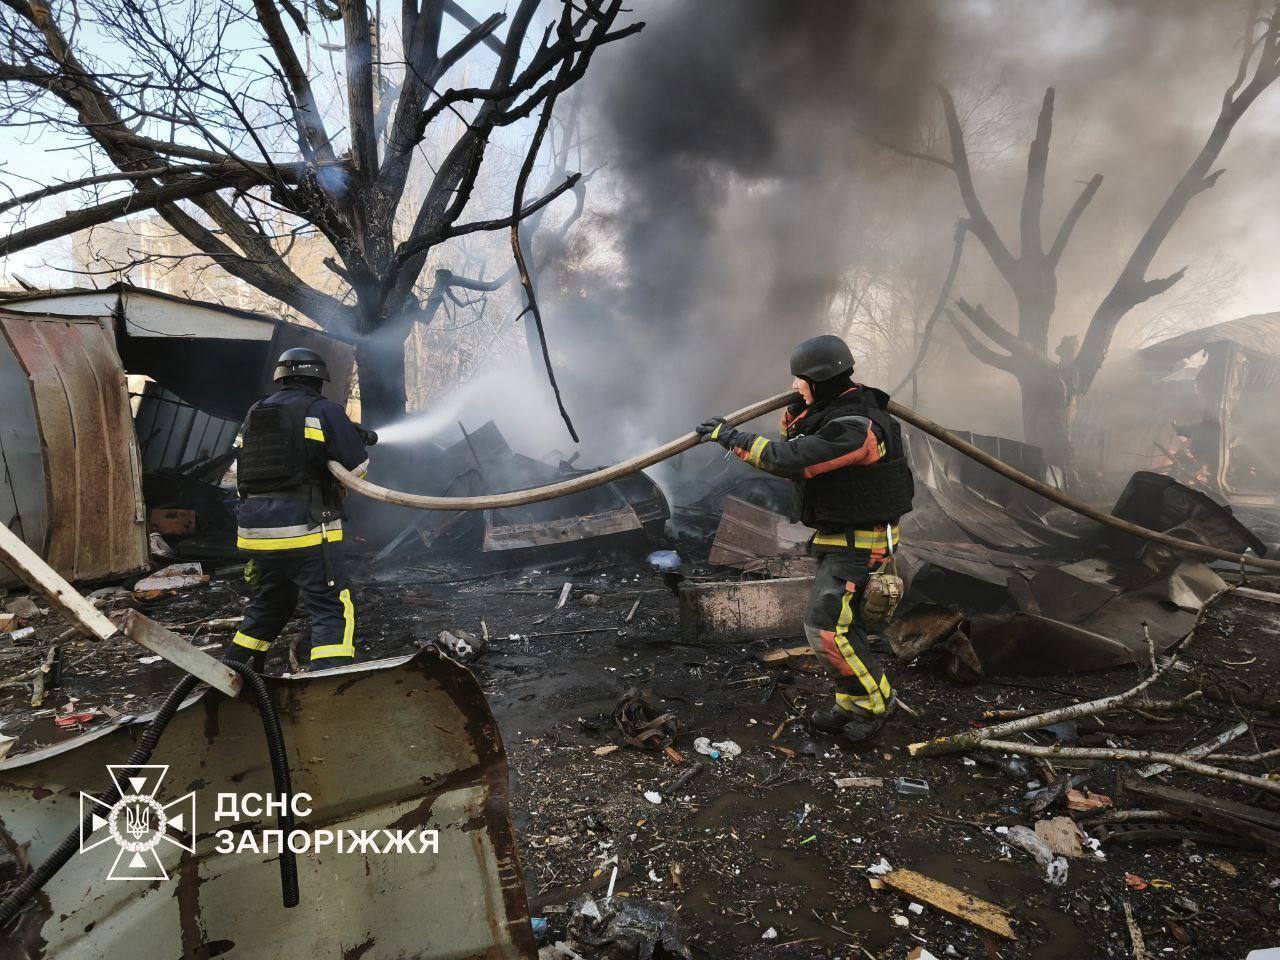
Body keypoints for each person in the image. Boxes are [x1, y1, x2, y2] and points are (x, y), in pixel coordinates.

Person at [696, 335, 915, 743]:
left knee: (828, 631)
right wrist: (798, 413)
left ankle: (873, 706)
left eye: (800, 381)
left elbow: (792, 459)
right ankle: (852, 703)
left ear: (816, 379)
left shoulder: (856, 426)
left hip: (861, 544)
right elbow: (797, 443)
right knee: (838, 629)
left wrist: (731, 437)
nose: (795, 387)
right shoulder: (840, 412)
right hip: (844, 538)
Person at [225, 347, 370, 671]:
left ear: (282, 379)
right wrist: (343, 439)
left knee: (271, 602)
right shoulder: (323, 409)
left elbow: (264, 465)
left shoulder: (257, 411)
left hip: (256, 531)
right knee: (332, 604)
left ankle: (231, 674)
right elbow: (357, 469)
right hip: (303, 528)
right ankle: (330, 686)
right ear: (318, 381)